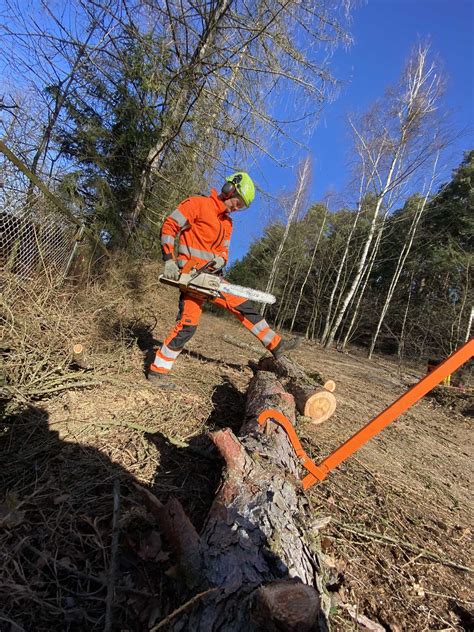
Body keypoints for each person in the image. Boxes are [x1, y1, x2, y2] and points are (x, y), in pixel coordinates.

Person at [148, 172, 298, 388]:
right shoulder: (198, 204)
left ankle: (276, 344)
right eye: (238, 202)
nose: (237, 207)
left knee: (244, 305)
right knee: (188, 326)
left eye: (242, 206)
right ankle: (158, 371)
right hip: (190, 277)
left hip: (212, 279)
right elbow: (170, 225)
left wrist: (220, 259)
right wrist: (169, 259)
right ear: (229, 189)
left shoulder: (227, 223)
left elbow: (224, 251)